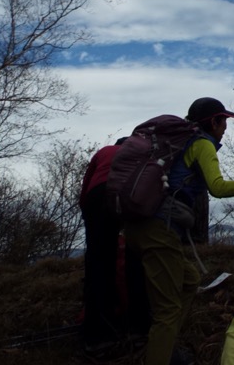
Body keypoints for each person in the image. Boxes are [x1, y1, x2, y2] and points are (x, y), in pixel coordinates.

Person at [124, 97, 234, 365]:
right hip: (160, 229)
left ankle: (166, 344)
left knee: (190, 279)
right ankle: (162, 353)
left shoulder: (178, 142)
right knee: (167, 311)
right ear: (213, 121)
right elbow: (217, 187)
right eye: (224, 121)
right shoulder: (202, 144)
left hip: (142, 226)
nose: (226, 127)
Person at [79, 137, 150, 358]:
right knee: (135, 261)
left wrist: (89, 214)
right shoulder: (141, 152)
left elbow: (87, 184)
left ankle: (97, 337)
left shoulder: (104, 151)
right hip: (129, 194)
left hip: (97, 195)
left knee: (98, 263)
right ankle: (138, 329)